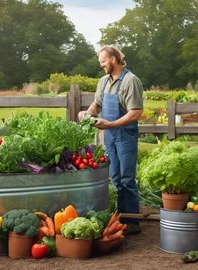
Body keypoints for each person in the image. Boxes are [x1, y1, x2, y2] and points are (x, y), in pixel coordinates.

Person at [78, 46, 144, 234]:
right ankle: (119, 219)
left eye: (104, 61)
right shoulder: (103, 82)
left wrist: (111, 124)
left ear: (114, 59)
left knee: (127, 178)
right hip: (109, 136)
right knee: (114, 178)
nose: (102, 66)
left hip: (125, 136)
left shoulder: (131, 81)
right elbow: (97, 104)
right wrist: (87, 113)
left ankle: (132, 221)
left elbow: (136, 112)